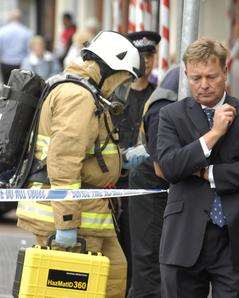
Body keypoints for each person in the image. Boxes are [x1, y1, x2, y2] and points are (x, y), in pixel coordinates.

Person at [15, 30, 142, 298]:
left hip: (88, 213)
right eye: (123, 80)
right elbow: (64, 162)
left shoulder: (82, 91)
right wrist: (67, 224)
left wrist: (122, 160)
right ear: (109, 68)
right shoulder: (78, 97)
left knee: (113, 277)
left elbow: (87, 150)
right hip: (70, 217)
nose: (122, 89)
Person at [157, 37, 239, 298]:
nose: (204, 85)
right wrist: (214, 134)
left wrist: (206, 173)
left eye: (211, 76)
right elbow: (170, 167)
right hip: (184, 236)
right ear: (185, 75)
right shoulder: (171, 115)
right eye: (196, 78)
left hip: (236, 238)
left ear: (225, 72)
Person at [110, 30, 161, 294]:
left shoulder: (159, 95)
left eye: (150, 55)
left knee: (139, 251)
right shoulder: (116, 95)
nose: (146, 62)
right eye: (141, 56)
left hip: (143, 187)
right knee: (111, 253)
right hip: (112, 184)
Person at [128, 65, 179, 297]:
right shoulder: (164, 107)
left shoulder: (166, 96)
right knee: (150, 262)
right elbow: (163, 168)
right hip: (151, 190)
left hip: (153, 188)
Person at [0, 9, 32, 83]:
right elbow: (29, 50)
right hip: (20, 64)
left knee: (6, 85)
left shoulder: (2, 31)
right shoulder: (27, 32)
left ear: (10, 18)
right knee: (19, 87)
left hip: (5, 63)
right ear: (20, 18)